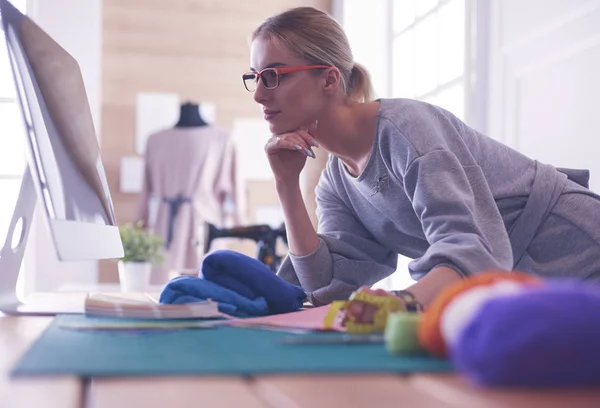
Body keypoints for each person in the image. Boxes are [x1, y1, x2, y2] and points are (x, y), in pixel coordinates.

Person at [241, 6, 600, 312]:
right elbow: (329, 283)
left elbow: (470, 249)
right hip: (520, 283)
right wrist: (286, 186)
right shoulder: (336, 180)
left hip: (576, 247)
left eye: (272, 76)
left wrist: (400, 304)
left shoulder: (405, 128)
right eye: (254, 77)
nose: (257, 94)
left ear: (329, 79)